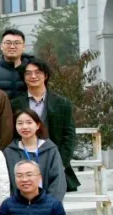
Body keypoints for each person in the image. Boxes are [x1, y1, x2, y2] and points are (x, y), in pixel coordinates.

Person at [12, 58, 79, 192]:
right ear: (23, 77)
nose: (33, 76)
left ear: (46, 75)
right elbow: (12, 135)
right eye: (28, 73)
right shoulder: (14, 104)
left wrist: (60, 164)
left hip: (55, 162)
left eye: (38, 72)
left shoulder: (62, 103)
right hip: (24, 165)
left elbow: (69, 136)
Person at [3, 109, 67, 201]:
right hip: (18, 205)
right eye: (20, 123)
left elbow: (58, 181)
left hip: (47, 205)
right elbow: (5, 182)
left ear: (37, 125)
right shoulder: (9, 152)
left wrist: (49, 204)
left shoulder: (50, 150)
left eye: (29, 122)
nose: (24, 127)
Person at [0, 29, 33, 101]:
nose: (12, 46)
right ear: (1, 46)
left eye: (17, 43)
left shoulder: (33, 70)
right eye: (8, 43)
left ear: (23, 47)